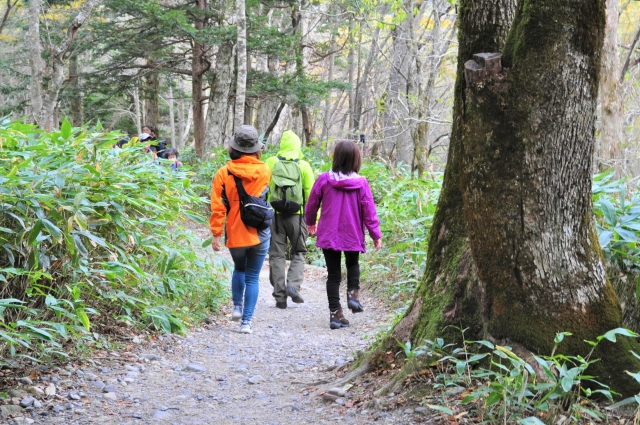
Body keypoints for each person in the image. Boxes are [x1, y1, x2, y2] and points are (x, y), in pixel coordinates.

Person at [305, 141, 382, 330]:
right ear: (356, 159)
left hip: (329, 233)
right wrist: (375, 234)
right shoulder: (361, 183)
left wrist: (310, 222)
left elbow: (312, 202)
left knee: (333, 275)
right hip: (352, 233)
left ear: (336, 158)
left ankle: (335, 314)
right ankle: (353, 295)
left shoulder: (324, 179)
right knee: (353, 264)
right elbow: (369, 211)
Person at [209, 125, 271, 334]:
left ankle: (236, 307)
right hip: (259, 229)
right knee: (253, 276)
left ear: (234, 147)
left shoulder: (223, 172)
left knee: (239, 269)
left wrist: (216, 234)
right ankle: (246, 322)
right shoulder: (264, 170)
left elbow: (218, 207)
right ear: (256, 148)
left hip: (235, 229)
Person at [264, 130, 315, 309]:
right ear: (298, 145)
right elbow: (311, 195)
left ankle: (279, 296)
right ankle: (293, 286)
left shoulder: (270, 162)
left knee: (276, 255)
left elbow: (261, 190)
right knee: (298, 252)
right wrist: (312, 220)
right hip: (297, 215)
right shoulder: (304, 165)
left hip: (274, 217)